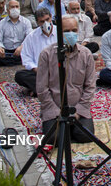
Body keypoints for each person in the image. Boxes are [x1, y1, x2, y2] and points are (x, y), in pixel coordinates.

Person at [37, 15, 96, 144]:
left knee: (85, 136)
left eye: (74, 30)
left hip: (78, 109)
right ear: (58, 32)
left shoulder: (86, 54)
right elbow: (42, 89)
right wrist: (56, 112)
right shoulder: (47, 54)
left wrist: (79, 111)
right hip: (54, 109)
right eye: (66, 31)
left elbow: (90, 86)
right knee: (55, 139)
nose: (71, 34)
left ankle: (73, 128)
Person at [15, 8, 57, 96]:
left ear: (51, 17)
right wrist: (36, 68)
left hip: (58, 70)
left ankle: (39, 89)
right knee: (20, 75)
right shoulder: (31, 37)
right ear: (37, 22)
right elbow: (26, 58)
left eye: (47, 20)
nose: (45, 23)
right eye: (42, 21)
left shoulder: (60, 33)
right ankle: (50, 89)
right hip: (40, 72)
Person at [0, 0, 32, 66]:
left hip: (21, 49)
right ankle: (17, 61)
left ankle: (10, 61)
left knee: (33, 51)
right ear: (8, 10)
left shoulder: (26, 22)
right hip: (6, 50)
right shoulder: (1, 24)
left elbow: (29, 38)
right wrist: (0, 48)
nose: (15, 9)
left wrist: (21, 47)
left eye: (17, 6)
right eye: (12, 7)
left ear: (19, 8)